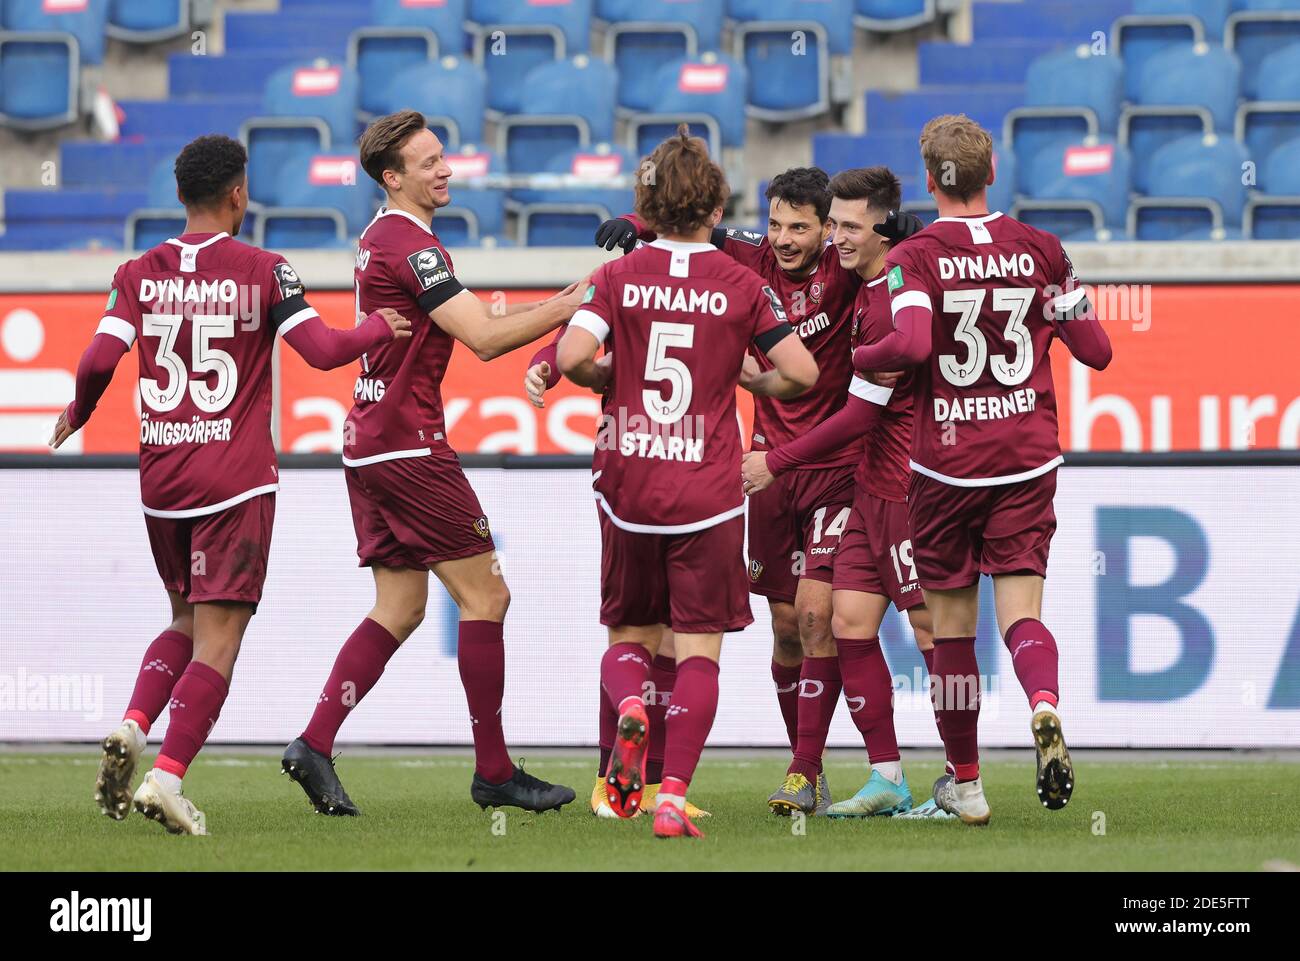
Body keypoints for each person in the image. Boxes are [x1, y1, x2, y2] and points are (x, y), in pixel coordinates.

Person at [55, 134, 411, 835]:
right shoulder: (264, 269)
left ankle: (133, 724)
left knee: (184, 622)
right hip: (234, 481)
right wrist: (378, 326)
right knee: (220, 638)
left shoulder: (138, 271)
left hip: (161, 478)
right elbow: (321, 350)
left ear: (182, 195)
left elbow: (99, 357)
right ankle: (167, 777)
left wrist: (79, 410)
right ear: (238, 195)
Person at [282, 111, 585, 816]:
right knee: (487, 597)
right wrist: (573, 301)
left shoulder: (377, 238)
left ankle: (314, 742)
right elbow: (482, 337)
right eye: (427, 162)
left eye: (443, 157)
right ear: (393, 178)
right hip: (408, 443)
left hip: (369, 439)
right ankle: (495, 771)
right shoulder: (411, 247)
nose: (444, 169)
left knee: (401, 605)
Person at [540, 168, 862, 815]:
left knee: (632, 633)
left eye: (800, 225)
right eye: (775, 224)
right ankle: (671, 796)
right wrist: (758, 383)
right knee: (700, 646)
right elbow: (798, 370)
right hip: (717, 483)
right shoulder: (742, 276)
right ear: (722, 208)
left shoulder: (618, 277)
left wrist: (597, 369)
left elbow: (573, 356)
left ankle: (632, 736)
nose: (783, 237)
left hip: (633, 479)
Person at [852, 114, 1112, 825]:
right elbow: (1097, 351)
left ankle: (965, 783)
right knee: (1022, 614)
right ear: (992, 172)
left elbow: (905, 343)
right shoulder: (1043, 249)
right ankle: (1046, 704)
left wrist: (858, 355)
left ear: (930, 181)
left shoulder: (916, 253)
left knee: (954, 630)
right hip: (1028, 455)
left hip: (948, 465)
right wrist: (1044, 316)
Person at [742, 166, 950, 818]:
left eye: (820, 225)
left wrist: (776, 457)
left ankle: (955, 774)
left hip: (856, 474)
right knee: (804, 625)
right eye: (781, 224)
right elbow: (695, 228)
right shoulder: (842, 278)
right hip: (795, 478)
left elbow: (865, 406)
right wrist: (640, 224)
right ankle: (880, 774)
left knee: (869, 621)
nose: (794, 237)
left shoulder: (871, 281)